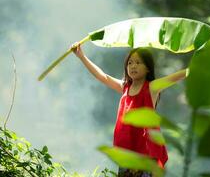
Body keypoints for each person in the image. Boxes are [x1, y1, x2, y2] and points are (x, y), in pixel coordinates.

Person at [71, 43, 187, 177]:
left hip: (146, 154)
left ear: (148, 68)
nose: (133, 66)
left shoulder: (152, 88)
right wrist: (81, 56)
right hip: (127, 153)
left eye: (138, 62)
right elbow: (103, 77)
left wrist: (195, 68)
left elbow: (175, 77)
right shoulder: (125, 87)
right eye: (130, 63)